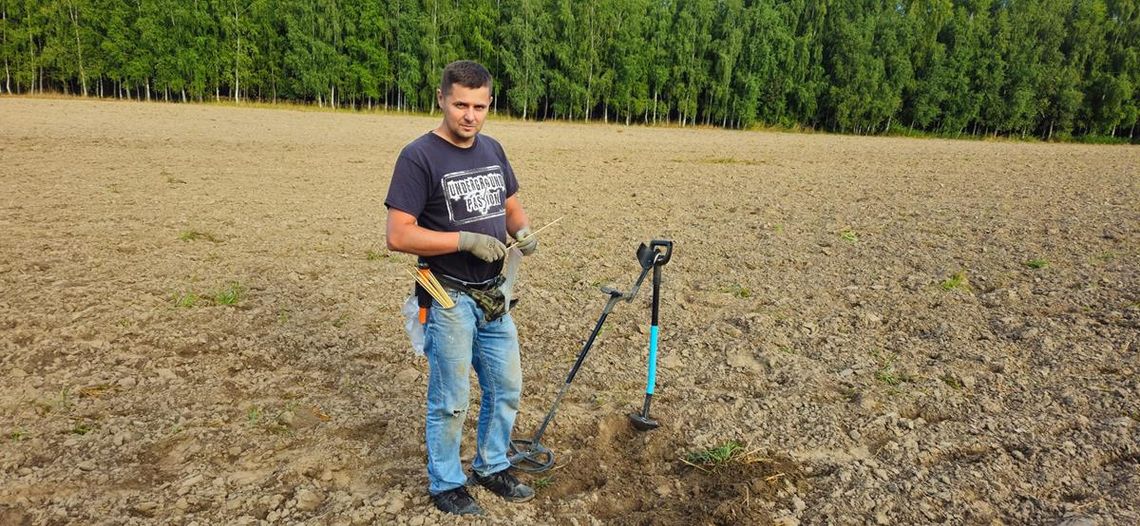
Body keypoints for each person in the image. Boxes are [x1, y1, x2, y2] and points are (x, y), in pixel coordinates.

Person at [384, 60, 538, 516]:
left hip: (495, 294)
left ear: (489, 104)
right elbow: (398, 235)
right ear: (441, 99)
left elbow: (509, 203)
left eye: (479, 106)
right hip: (447, 293)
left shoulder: (492, 148)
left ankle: (491, 465)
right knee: (451, 399)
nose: (470, 115)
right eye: (460, 105)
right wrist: (463, 240)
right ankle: (446, 482)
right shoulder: (418, 157)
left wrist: (523, 230)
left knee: (505, 386)